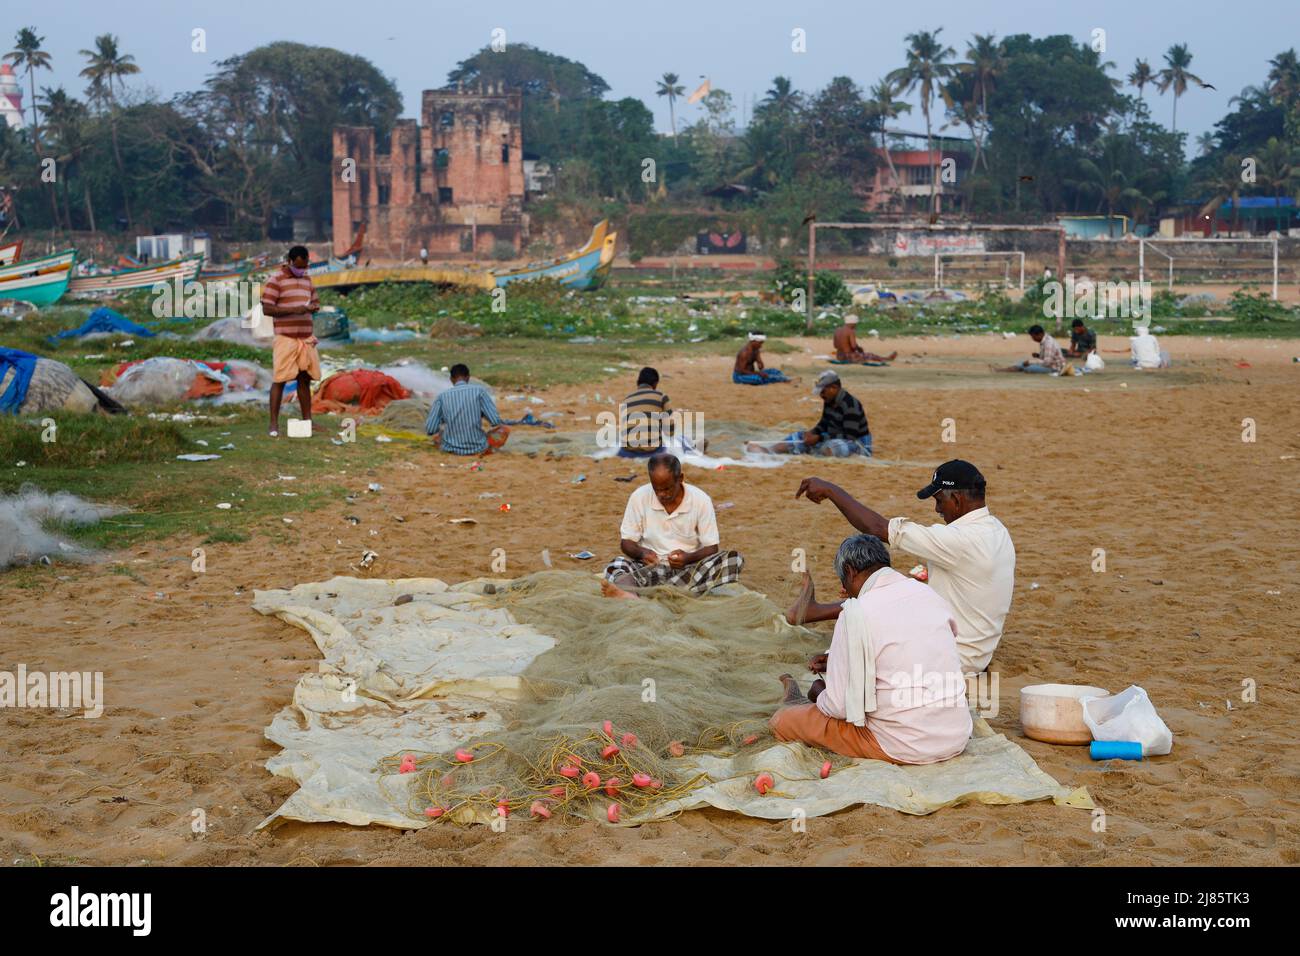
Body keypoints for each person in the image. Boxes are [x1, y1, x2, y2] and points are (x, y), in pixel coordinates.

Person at [789, 460, 1015, 677]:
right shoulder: (997, 531)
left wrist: (830, 490)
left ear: (956, 498)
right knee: (898, 588)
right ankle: (818, 612)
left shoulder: (962, 540)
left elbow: (876, 527)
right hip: (976, 654)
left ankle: (818, 615)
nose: (937, 509)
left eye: (939, 500)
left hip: (951, 658)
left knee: (882, 586)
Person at [770, 534, 971, 763]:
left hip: (903, 745)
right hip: (956, 735)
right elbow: (912, 647)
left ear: (850, 571)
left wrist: (819, 694)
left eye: (843, 581)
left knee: (782, 721)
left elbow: (839, 708)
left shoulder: (855, 613)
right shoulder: (930, 595)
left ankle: (797, 706)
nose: (844, 591)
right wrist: (835, 657)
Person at [602, 452, 743, 598]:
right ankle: (632, 597)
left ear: (680, 479)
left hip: (688, 571)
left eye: (667, 488)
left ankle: (637, 593)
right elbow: (626, 543)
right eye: (657, 489)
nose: (662, 494)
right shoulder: (639, 497)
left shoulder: (701, 500)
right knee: (616, 566)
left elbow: (712, 547)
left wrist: (688, 558)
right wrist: (642, 553)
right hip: (648, 570)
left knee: (734, 560)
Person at [262, 245, 321, 437]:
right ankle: (273, 424)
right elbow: (267, 309)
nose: (301, 270)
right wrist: (294, 310)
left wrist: (312, 308)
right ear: (290, 261)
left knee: (304, 379)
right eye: (298, 266)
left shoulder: (307, 280)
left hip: (305, 338)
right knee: (280, 379)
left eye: (304, 266)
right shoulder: (275, 280)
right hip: (285, 338)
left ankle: (308, 421)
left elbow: (315, 302)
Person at [745, 370, 872, 457]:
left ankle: (809, 452)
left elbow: (850, 436)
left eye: (823, 391)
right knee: (799, 436)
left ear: (834, 388)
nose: (821, 396)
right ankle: (769, 451)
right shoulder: (829, 400)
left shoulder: (850, 405)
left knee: (832, 448)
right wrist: (813, 432)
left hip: (856, 443)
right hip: (833, 436)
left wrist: (819, 438)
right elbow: (824, 423)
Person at [424, 363, 510, 455]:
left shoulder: (442, 396)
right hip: (478, 448)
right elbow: (495, 421)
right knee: (505, 429)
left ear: (451, 379)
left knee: (439, 435)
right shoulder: (480, 391)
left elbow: (430, 429)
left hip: (450, 449)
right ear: (468, 377)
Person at [619, 367, 671, 458]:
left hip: (627, 452)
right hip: (651, 451)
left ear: (638, 382)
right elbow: (670, 430)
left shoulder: (626, 400)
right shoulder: (661, 397)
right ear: (655, 384)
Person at [994, 324, 1065, 374]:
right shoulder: (1045, 340)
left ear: (1040, 334)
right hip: (1050, 365)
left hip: (1054, 368)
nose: (1033, 339)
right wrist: (1038, 356)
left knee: (1028, 368)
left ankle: (1002, 370)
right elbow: (1047, 358)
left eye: (1033, 337)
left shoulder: (1048, 343)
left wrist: (1031, 362)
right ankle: (1003, 370)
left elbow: (1047, 362)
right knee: (1021, 363)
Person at [832, 314, 897, 364]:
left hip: (839, 356)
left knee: (864, 355)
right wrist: (859, 349)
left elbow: (835, 345)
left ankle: (885, 358)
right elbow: (854, 346)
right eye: (855, 324)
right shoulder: (850, 331)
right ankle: (886, 359)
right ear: (852, 323)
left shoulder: (837, 330)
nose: (855, 326)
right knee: (870, 355)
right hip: (849, 357)